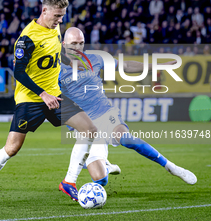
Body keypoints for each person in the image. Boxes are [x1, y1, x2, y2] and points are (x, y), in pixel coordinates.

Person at [0, 0, 97, 208]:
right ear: (44, 10)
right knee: (12, 149)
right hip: (30, 99)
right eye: (57, 15)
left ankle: (69, 181)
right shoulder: (27, 38)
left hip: (54, 96)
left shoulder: (55, 27)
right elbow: (18, 72)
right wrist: (42, 93)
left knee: (90, 129)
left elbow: (55, 55)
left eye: (62, 16)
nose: (60, 20)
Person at [58, 27, 197, 201]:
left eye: (81, 43)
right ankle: (107, 167)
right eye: (73, 44)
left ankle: (171, 167)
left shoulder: (95, 58)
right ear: (64, 45)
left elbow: (124, 65)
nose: (78, 47)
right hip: (84, 124)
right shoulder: (56, 69)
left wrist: (154, 67)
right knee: (100, 179)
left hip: (105, 113)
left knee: (126, 138)